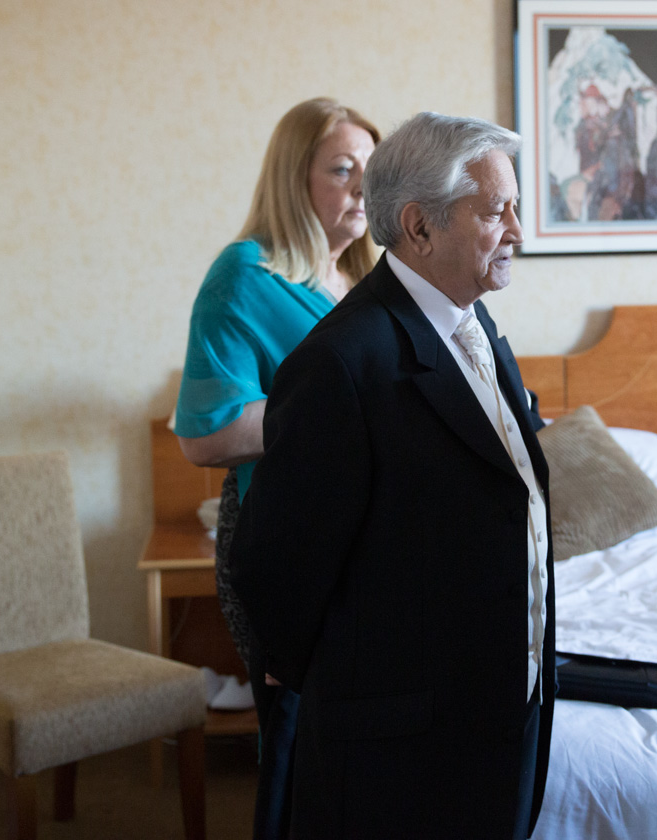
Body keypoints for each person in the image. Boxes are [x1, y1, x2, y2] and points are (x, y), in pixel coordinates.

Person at [229, 112, 554, 840]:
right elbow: (275, 565)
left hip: (504, 708)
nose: (518, 230)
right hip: (400, 739)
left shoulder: (474, 327)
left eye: (516, 207)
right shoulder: (341, 363)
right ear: (418, 226)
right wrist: (357, 687)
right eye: (496, 211)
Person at [173, 97, 380, 840]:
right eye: (342, 169)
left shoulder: (357, 281)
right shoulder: (244, 275)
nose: (363, 187)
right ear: (295, 178)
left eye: (370, 171)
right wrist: (342, 414)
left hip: (357, 550)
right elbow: (207, 434)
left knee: (348, 754)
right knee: (299, 746)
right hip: (284, 543)